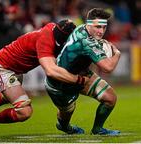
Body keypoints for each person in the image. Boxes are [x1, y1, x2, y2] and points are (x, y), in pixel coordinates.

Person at [0, 19, 87, 137]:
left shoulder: (55, 30)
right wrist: (79, 80)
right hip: (2, 67)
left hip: (13, 68)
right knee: (24, 111)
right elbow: (51, 71)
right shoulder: (46, 40)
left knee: (6, 96)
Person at [45, 8, 121, 136]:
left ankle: (98, 130)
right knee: (66, 114)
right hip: (60, 84)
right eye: (97, 27)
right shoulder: (86, 42)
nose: (101, 31)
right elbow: (108, 68)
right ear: (89, 24)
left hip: (81, 75)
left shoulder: (82, 28)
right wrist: (117, 54)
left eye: (103, 27)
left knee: (110, 98)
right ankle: (64, 126)